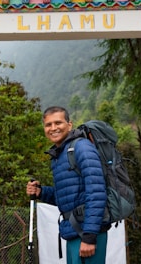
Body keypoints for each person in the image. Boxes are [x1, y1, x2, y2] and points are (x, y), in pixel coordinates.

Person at [26, 106, 108, 263]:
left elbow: (96, 192)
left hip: (87, 232)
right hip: (73, 230)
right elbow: (68, 197)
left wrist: (89, 236)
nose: (53, 128)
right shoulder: (59, 155)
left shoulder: (81, 147)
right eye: (48, 125)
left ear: (69, 125)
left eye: (58, 123)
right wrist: (41, 192)